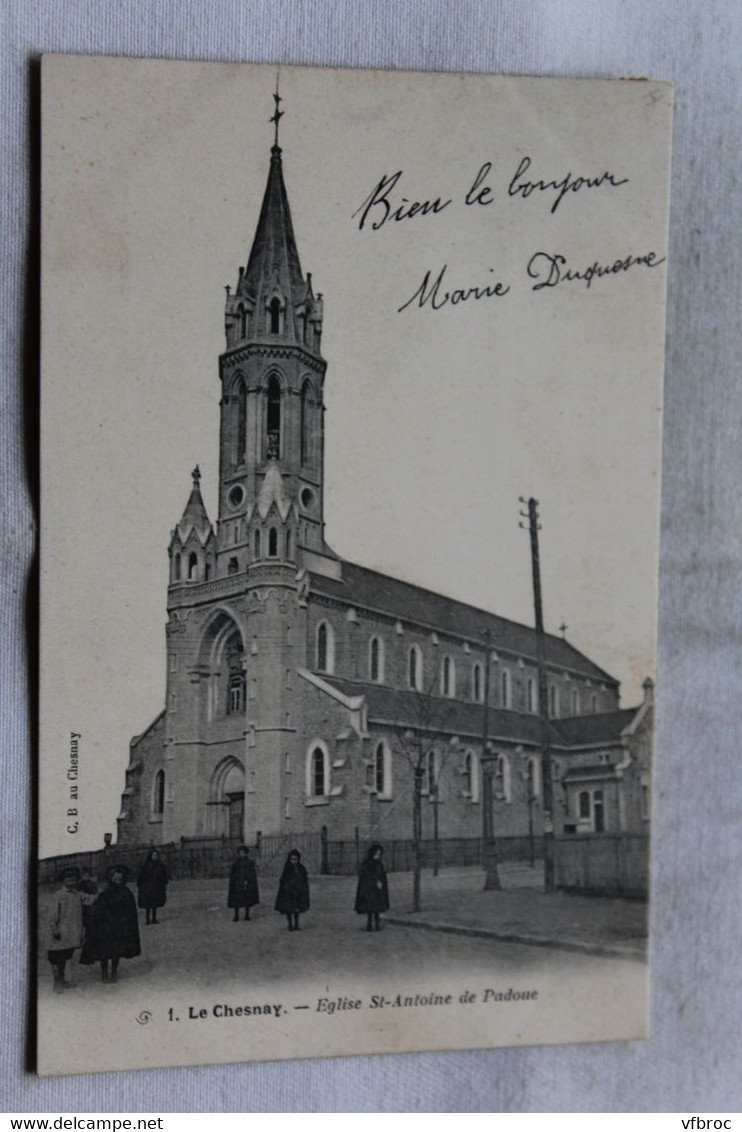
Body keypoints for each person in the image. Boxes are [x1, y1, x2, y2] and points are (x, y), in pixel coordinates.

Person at [80, 865, 141, 983]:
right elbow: (97, 908)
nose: (118, 881)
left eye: (120, 879)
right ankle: (104, 973)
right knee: (104, 951)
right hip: (105, 927)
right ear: (111, 878)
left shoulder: (126, 892)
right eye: (115, 878)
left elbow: (130, 910)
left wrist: (125, 922)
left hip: (119, 927)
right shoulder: (105, 891)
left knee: (116, 952)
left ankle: (114, 972)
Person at [47, 867, 84, 993]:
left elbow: (90, 899)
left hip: (73, 932)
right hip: (61, 932)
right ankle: (57, 984)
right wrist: (54, 929)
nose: (71, 882)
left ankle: (62, 981)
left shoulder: (77, 894)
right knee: (58, 958)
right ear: (63, 881)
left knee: (67, 956)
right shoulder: (58, 896)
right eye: (68, 880)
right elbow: (53, 915)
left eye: (73, 880)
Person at [355, 843, 390, 931]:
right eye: (376, 854)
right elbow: (366, 876)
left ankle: (377, 924)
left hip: (378, 890)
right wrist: (375, 882)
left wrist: (381, 882)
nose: (377, 856)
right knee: (370, 908)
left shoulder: (379, 863)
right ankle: (369, 924)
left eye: (379, 854)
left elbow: (382, 875)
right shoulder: (367, 863)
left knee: (377, 908)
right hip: (369, 890)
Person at [274, 849, 310, 931]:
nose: (294, 861)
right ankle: (290, 925)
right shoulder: (287, 868)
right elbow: (283, 879)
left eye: (296, 859)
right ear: (290, 859)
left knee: (297, 909)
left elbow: (304, 879)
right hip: (289, 892)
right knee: (289, 909)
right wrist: (287, 887)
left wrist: (302, 888)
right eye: (292, 859)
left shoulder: (301, 868)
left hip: (298, 891)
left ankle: (296, 925)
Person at [227, 845, 260, 922]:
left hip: (247, 884)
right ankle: (236, 916)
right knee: (236, 901)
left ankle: (247, 915)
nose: (241, 854)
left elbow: (252, 874)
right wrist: (235, 881)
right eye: (240, 853)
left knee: (247, 900)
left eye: (243, 853)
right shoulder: (235, 864)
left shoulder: (250, 863)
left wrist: (248, 881)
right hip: (238, 884)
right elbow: (233, 874)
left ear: (246, 853)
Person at [137, 848, 169, 925]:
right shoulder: (145, 866)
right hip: (147, 887)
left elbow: (163, 875)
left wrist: (163, 883)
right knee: (147, 903)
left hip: (156, 887)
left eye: (156, 855)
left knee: (155, 903)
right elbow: (141, 876)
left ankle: (154, 918)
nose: (155, 856)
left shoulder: (160, 865)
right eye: (153, 855)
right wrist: (141, 885)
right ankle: (147, 919)